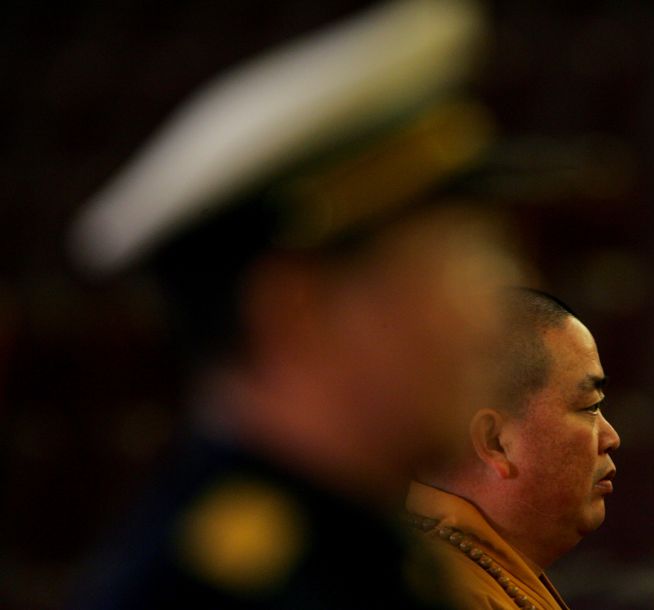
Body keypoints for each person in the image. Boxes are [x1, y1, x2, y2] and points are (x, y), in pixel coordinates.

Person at [63, 1, 524, 608]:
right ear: (296, 309)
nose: (493, 311)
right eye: (462, 262)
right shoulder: (218, 591)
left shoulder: (359, 554)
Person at [404, 288, 621, 610]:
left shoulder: (475, 570)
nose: (611, 437)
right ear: (495, 442)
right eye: (589, 407)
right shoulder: (443, 593)